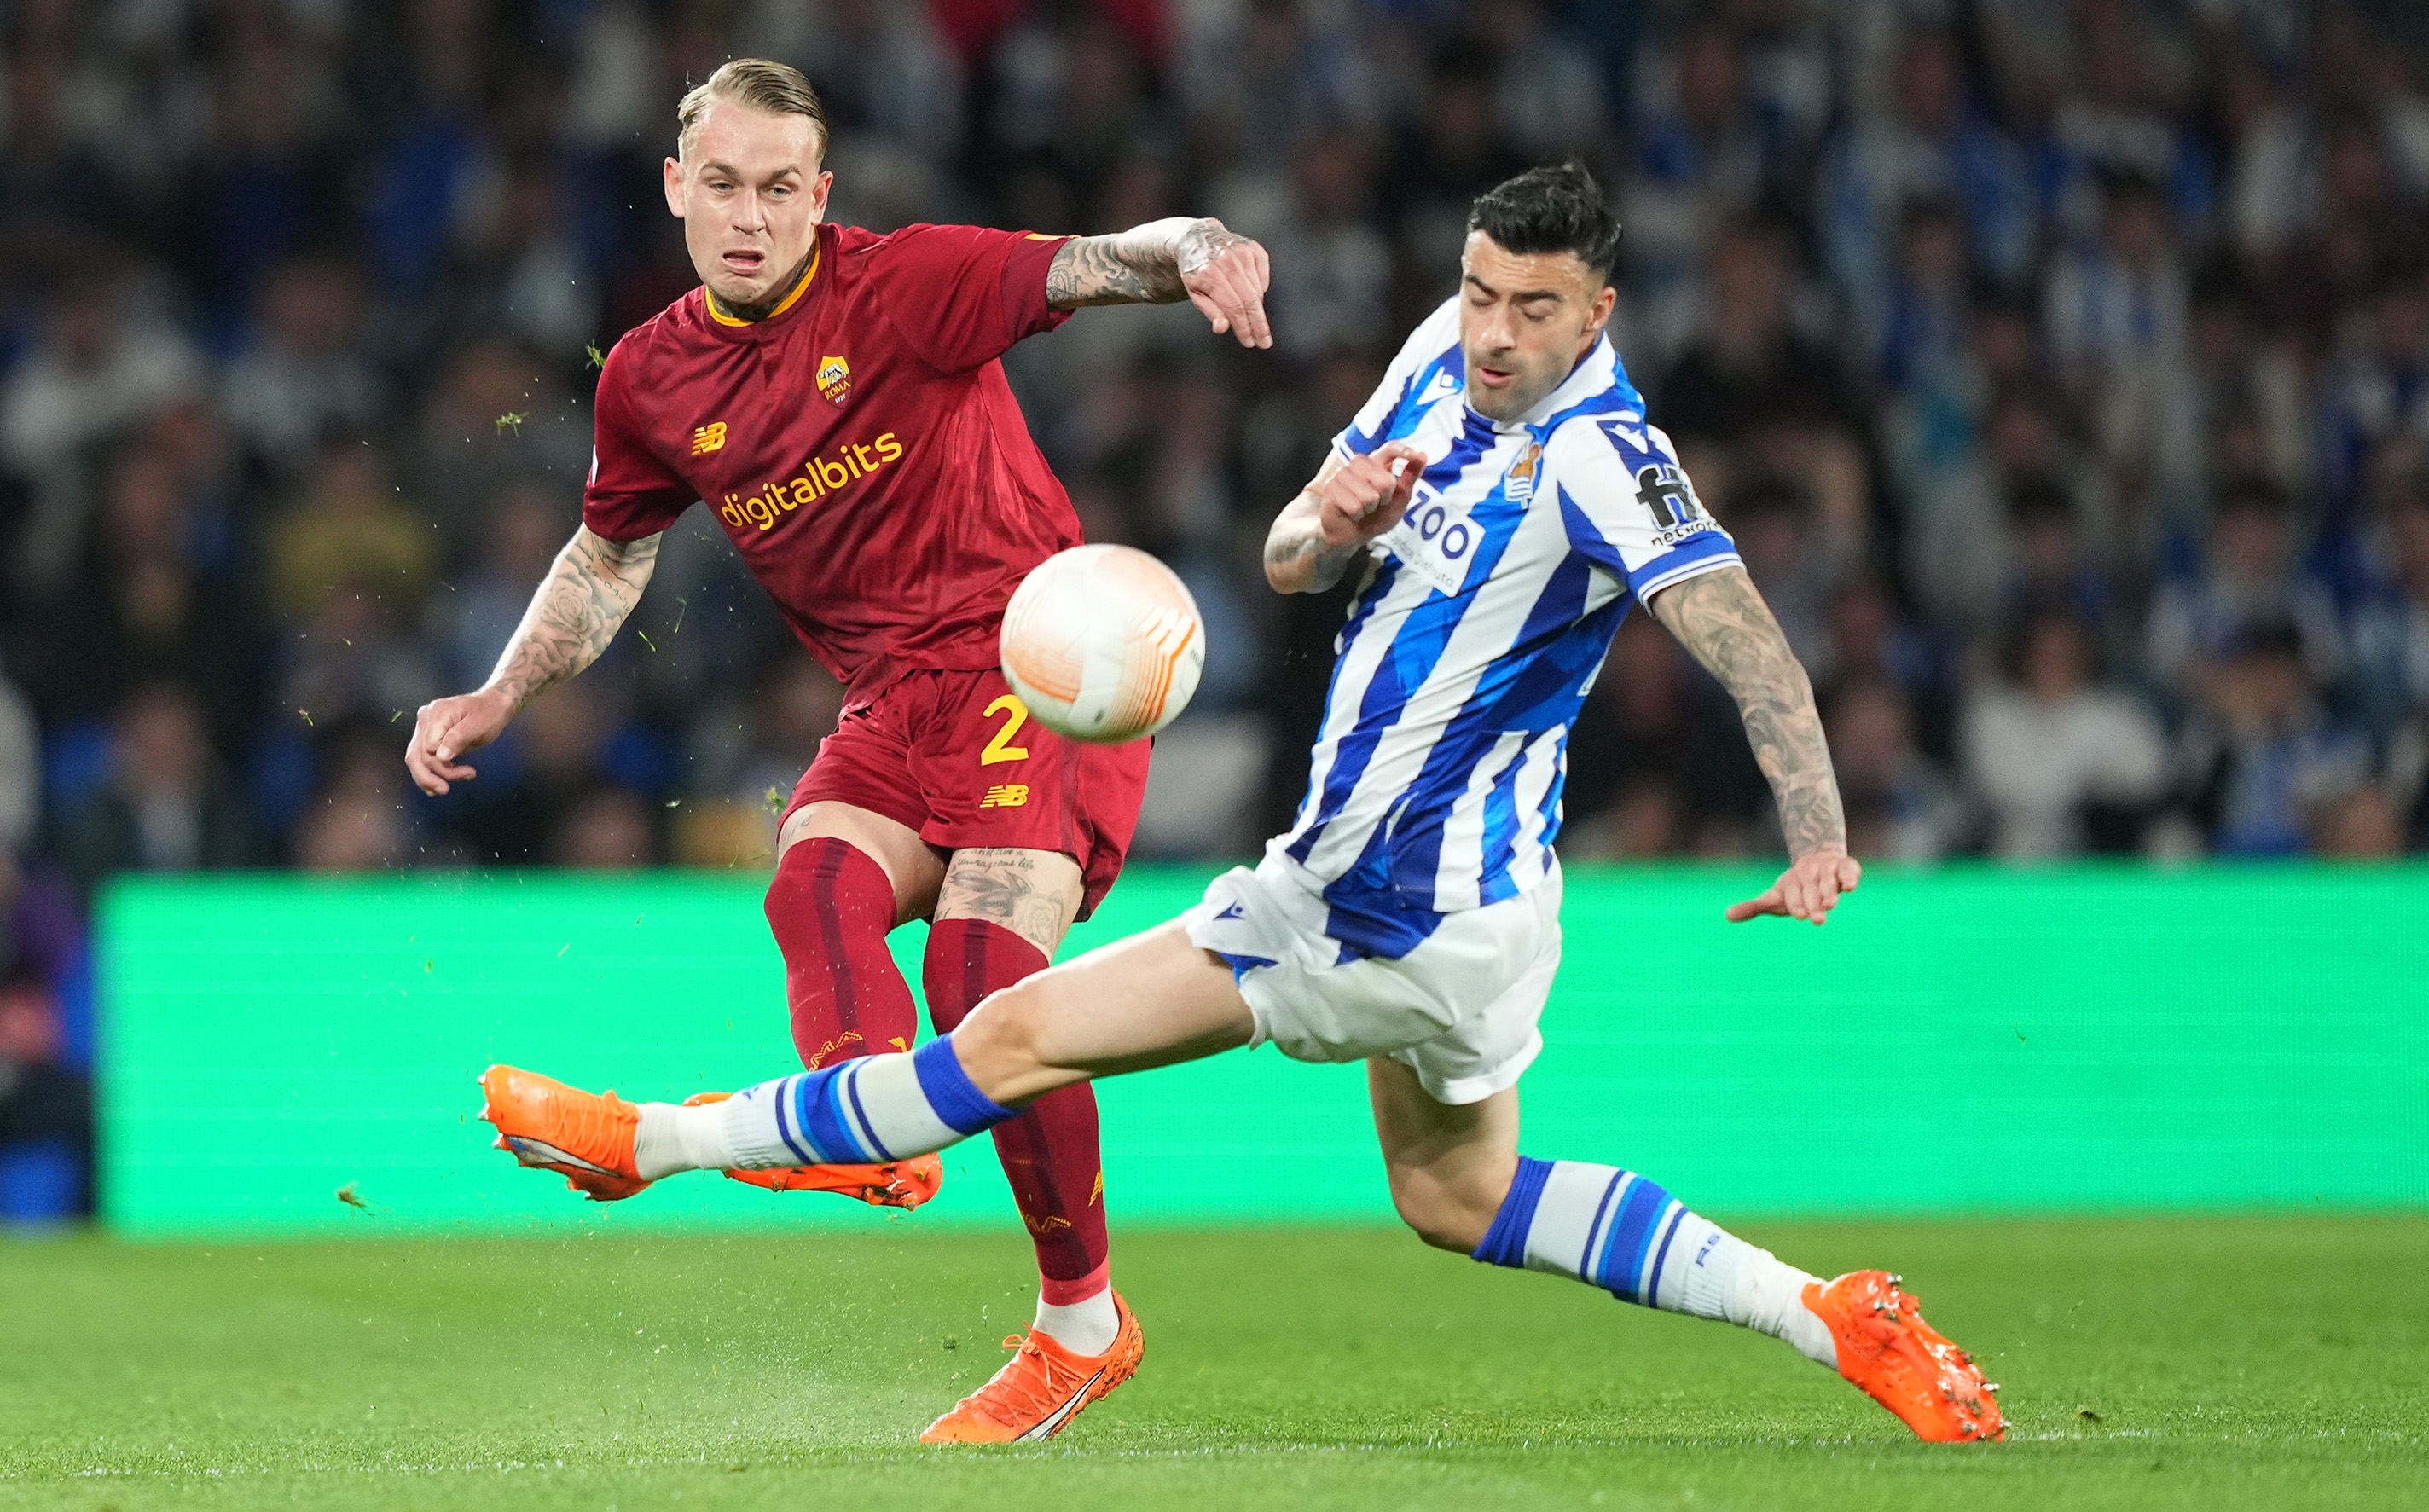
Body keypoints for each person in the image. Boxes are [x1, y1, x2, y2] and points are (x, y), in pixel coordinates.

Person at [478, 164, 2003, 1445]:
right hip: (1475, 908)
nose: (1494, 330)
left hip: (1373, 905)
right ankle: (1826, 1310)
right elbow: (1287, 561)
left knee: (998, 1039)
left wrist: (1817, 829)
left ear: (1599, 316)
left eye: (1535, 309)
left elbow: (1743, 634)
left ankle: (651, 1142)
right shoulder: (1432, 362)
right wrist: (1329, 519)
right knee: (1459, 1194)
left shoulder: (1608, 457)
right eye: (1481, 291)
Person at [406, 58, 1276, 1445]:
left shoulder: (908, 284)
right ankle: (868, 1149)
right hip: (889, 698)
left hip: (1035, 663)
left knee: (985, 970)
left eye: (779, 190)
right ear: (678, 188)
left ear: (820, 195)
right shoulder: (649, 376)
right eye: (724, 186)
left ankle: (1079, 1324)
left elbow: (1099, 265)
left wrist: (1204, 248)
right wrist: (500, 690)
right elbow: (608, 553)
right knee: (812, 881)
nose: (750, 218)